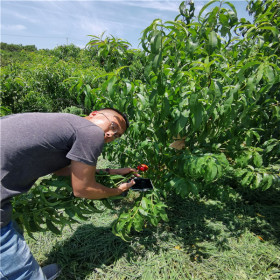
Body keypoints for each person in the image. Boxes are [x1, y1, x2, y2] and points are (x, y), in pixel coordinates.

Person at [0, 108, 137, 280]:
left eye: (116, 135)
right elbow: (82, 189)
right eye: (113, 126)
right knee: (17, 267)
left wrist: (112, 171)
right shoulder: (91, 131)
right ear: (94, 114)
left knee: (12, 230)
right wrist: (118, 190)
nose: (110, 134)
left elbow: (63, 171)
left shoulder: (65, 125)